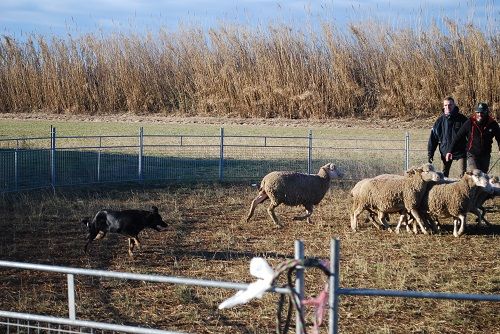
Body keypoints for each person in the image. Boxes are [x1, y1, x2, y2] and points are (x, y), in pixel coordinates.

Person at [445, 102, 500, 173]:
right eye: (478, 112)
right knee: (476, 174)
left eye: (482, 112)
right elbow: (458, 137)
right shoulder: (470, 122)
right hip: (472, 154)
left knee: (483, 176)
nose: (479, 114)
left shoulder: (493, 124)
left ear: (487, 112)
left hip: (485, 154)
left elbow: (499, 138)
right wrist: (450, 151)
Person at [428, 97, 467, 177]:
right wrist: (430, 153)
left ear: (454, 105)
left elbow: (470, 136)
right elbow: (433, 138)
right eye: (445, 105)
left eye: (450, 105)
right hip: (445, 152)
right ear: (443, 106)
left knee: (463, 175)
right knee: (443, 175)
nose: (448, 107)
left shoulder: (462, 119)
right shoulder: (439, 121)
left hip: (460, 152)